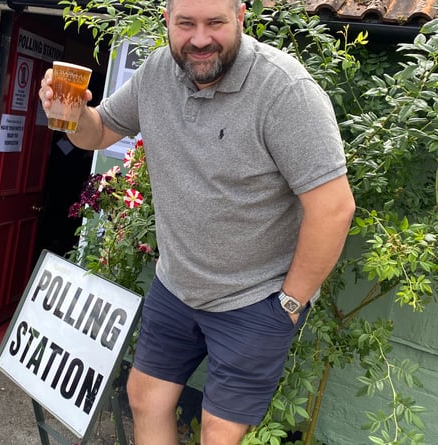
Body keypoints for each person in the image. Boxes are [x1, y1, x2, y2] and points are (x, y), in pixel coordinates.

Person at [39, 0, 356, 442]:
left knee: (218, 433)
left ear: (241, 17)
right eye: (186, 23)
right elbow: (99, 132)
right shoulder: (155, 74)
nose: (200, 39)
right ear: (167, 21)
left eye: (215, 23)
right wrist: (72, 114)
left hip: (255, 298)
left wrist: (289, 304)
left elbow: (334, 208)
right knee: (145, 399)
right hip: (176, 286)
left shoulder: (284, 91)